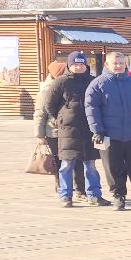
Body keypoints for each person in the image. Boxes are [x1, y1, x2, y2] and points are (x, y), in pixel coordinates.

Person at [84, 51, 131, 210]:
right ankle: (119, 196)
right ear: (107, 64)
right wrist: (97, 130)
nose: (118, 66)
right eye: (115, 63)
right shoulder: (98, 84)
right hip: (109, 135)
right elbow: (91, 109)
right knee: (113, 168)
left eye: (121, 63)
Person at [45, 53, 105, 207]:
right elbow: (49, 105)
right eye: (75, 64)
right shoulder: (61, 82)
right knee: (66, 165)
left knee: (90, 165)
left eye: (81, 64)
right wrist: (61, 118)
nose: (78, 67)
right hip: (68, 130)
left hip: (89, 129)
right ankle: (66, 195)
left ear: (86, 65)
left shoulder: (93, 82)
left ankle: (94, 194)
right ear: (69, 65)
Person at [33, 62, 68, 196]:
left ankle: (70, 186)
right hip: (53, 132)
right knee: (57, 161)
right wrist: (39, 135)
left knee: (69, 161)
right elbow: (39, 113)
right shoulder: (46, 90)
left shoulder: (65, 86)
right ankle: (59, 185)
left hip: (66, 131)